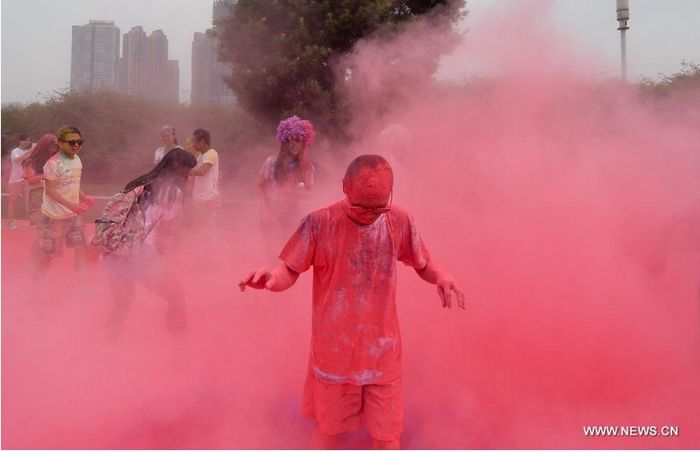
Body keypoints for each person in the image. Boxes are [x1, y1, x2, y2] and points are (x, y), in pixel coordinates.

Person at [239, 154, 466, 449]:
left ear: (391, 194)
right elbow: (289, 270)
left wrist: (442, 276)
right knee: (329, 433)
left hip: (381, 352)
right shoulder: (319, 223)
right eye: (362, 206)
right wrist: (271, 278)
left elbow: (423, 263)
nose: (370, 215)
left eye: (378, 207)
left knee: (387, 438)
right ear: (344, 187)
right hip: (334, 354)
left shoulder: (399, 220)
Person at [101, 148, 197, 336]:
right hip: (140, 251)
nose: (189, 176)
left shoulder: (139, 183)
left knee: (121, 304)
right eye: (188, 171)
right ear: (180, 169)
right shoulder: (172, 192)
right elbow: (164, 233)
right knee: (176, 295)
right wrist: (166, 259)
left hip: (112, 249)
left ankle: (107, 347)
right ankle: (180, 348)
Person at [36, 126, 95, 270]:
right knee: (48, 255)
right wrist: (72, 205)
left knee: (82, 250)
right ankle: (34, 285)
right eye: (71, 142)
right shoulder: (53, 164)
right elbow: (50, 191)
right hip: (53, 217)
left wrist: (84, 197)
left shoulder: (77, 160)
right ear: (60, 143)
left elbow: (72, 184)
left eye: (79, 142)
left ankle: (84, 288)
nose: (76, 145)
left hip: (73, 216)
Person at [257, 116, 315, 234]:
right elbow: (259, 187)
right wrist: (264, 210)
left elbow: (310, 193)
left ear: (304, 143)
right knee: (272, 251)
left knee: (289, 250)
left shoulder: (307, 168)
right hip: (271, 215)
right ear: (284, 142)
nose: (294, 144)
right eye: (290, 140)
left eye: (299, 140)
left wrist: (304, 194)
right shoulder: (271, 163)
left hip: (293, 217)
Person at [21, 134, 59, 227]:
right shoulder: (31, 161)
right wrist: (47, 175)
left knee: (55, 231)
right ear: (44, 146)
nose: (53, 149)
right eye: (51, 146)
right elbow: (30, 180)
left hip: (54, 197)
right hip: (37, 197)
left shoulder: (56, 160)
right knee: (42, 230)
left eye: (56, 146)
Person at [188, 128, 220, 224]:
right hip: (198, 197)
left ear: (202, 141)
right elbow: (194, 176)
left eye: (194, 141)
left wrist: (183, 170)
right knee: (198, 227)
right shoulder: (201, 156)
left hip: (208, 198)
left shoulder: (212, 153)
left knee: (206, 228)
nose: (193, 144)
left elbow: (202, 172)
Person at [7, 134, 33, 229]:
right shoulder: (15, 151)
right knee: (13, 202)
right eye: (25, 140)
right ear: (20, 141)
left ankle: (32, 221)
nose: (27, 142)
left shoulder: (27, 152)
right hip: (15, 180)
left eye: (29, 140)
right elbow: (17, 160)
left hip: (26, 180)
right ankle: (11, 223)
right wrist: (30, 151)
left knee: (28, 201)